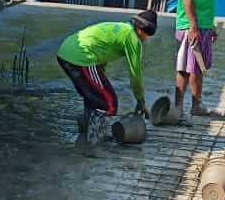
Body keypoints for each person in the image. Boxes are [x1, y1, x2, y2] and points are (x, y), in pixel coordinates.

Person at [58, 10, 157, 156]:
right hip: (81, 57)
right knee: (108, 102)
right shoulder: (132, 38)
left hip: (66, 52)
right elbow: (135, 73)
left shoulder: (121, 28)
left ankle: (86, 128)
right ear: (141, 30)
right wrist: (140, 100)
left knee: (93, 96)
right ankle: (93, 145)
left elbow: (101, 56)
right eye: (147, 35)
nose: (146, 39)